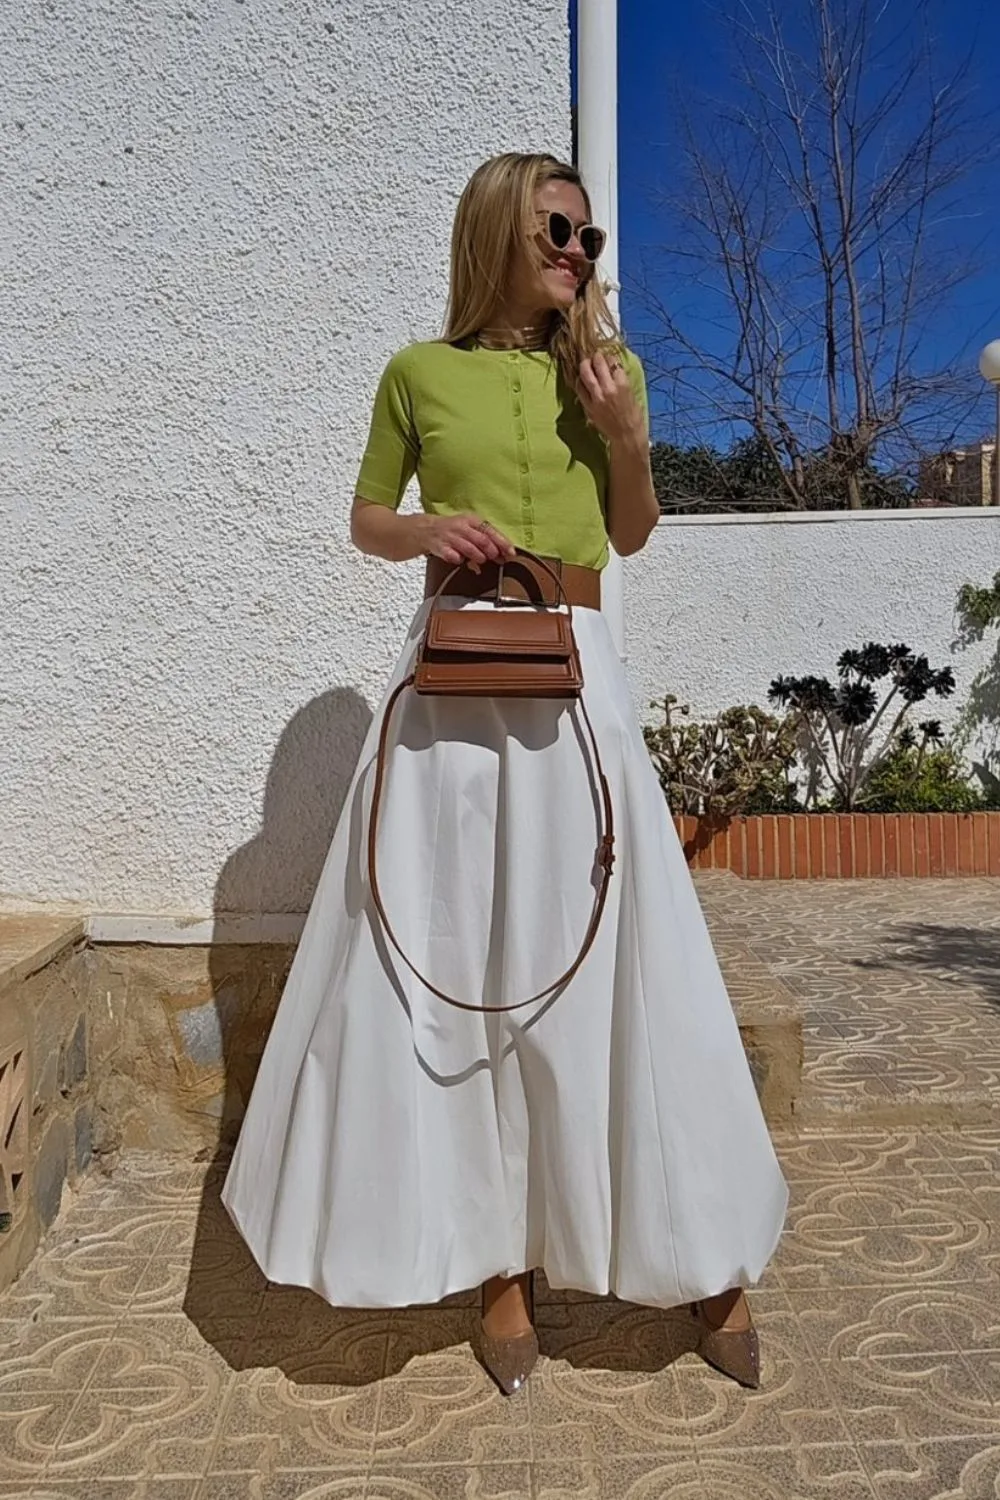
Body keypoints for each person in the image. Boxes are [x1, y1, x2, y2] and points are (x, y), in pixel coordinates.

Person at [222, 152, 788, 1396]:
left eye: (589, 238)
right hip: (456, 675)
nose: (578, 253)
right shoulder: (417, 373)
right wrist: (425, 529)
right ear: (499, 229)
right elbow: (368, 515)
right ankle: (497, 1272)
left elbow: (630, 529)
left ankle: (696, 1250)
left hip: (579, 664)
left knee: (627, 956)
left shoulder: (610, 373)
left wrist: (627, 433)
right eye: (557, 230)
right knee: (461, 958)